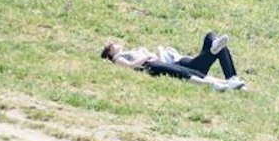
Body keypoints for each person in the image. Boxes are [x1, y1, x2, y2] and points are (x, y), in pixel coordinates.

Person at [100, 33, 247, 90]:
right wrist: (149, 55)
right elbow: (131, 66)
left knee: (213, 40)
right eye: (111, 45)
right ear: (110, 53)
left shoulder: (128, 52)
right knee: (187, 71)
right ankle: (222, 82)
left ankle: (231, 79)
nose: (113, 43)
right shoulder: (118, 58)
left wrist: (156, 52)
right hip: (170, 64)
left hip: (177, 61)